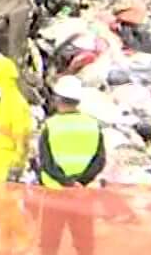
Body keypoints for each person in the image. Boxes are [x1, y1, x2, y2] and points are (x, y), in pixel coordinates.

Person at [36, 75, 104, 255]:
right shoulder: (92, 125)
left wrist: (66, 183)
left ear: (57, 99)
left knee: (49, 243)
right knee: (84, 243)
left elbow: (46, 162)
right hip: (84, 193)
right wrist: (80, 182)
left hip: (55, 193)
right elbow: (99, 160)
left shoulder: (50, 126)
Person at [0, 55, 34, 254]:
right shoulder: (4, 100)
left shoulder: (15, 103)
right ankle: (5, 240)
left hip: (8, 158)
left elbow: (22, 135)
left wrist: (18, 161)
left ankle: (24, 238)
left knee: (8, 203)